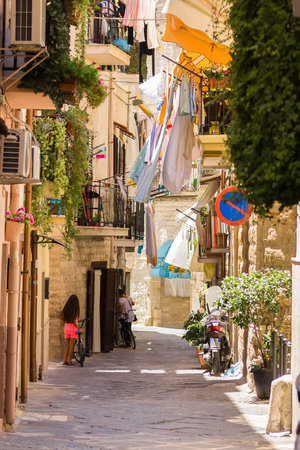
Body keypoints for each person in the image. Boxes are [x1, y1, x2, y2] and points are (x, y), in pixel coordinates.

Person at [60, 294, 81, 366]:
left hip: (66, 329)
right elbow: (74, 321)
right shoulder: (74, 311)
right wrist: (79, 329)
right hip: (73, 330)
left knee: (67, 346)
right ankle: (69, 361)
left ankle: (64, 360)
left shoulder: (66, 309)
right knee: (71, 346)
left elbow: (62, 318)